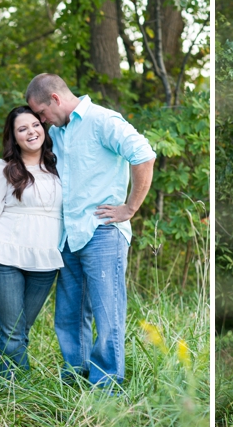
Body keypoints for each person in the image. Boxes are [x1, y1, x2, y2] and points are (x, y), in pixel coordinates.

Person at [25, 73, 156, 389]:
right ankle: (75, 383)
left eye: (41, 113)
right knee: (68, 318)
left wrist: (130, 208)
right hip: (69, 236)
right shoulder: (59, 132)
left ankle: (106, 388)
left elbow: (144, 155)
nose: (40, 121)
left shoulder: (103, 121)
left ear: (55, 100)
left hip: (103, 233)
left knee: (107, 316)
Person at [0, 106, 63, 386]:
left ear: (43, 128)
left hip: (45, 260)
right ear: (14, 137)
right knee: (11, 331)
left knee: (20, 329)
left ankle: (7, 385)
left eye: (35, 125)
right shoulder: (4, 169)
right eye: (23, 129)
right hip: (4, 258)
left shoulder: (59, 165)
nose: (31, 132)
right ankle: (16, 390)